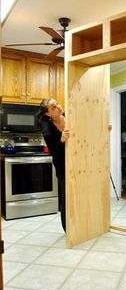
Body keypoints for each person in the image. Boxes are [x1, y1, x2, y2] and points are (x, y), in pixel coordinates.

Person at [37, 98, 69, 232]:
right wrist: (61, 140)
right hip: (63, 167)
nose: (58, 107)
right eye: (53, 107)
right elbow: (55, 154)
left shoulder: (70, 116)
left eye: (57, 104)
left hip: (77, 164)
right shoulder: (48, 130)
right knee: (66, 200)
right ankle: (68, 231)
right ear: (48, 114)